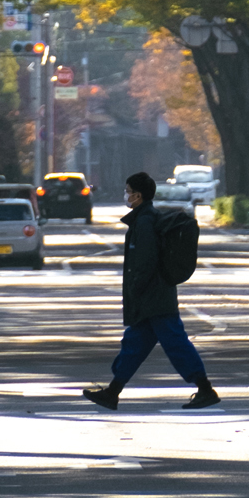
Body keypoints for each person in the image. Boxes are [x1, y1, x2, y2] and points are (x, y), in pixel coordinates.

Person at [81, 173, 220, 406]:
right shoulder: (145, 219)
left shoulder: (145, 222)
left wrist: (136, 289)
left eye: (128, 190)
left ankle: (205, 389)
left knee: (176, 344)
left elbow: (145, 261)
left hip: (155, 298)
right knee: (134, 345)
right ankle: (113, 391)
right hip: (153, 297)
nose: (125, 194)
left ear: (137, 195)